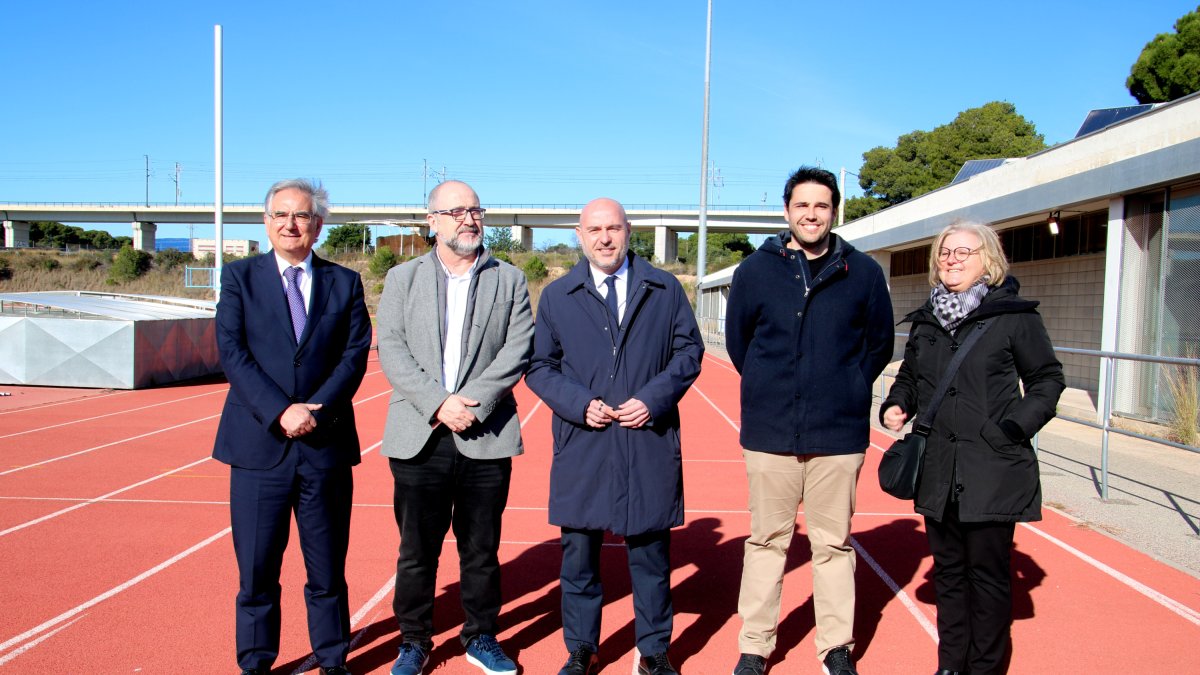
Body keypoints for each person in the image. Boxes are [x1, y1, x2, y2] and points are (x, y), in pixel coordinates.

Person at [725, 166, 894, 675]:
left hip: (838, 437)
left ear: (834, 211)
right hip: (770, 434)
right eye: (802, 205)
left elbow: (878, 346)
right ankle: (755, 646)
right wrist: (769, 386)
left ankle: (835, 646)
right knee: (766, 542)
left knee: (833, 545)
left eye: (821, 205)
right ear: (787, 211)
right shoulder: (754, 271)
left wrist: (846, 386)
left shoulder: (863, 272)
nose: (811, 214)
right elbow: (740, 345)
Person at [525, 197, 703, 675]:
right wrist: (579, 404)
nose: (605, 238)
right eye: (594, 230)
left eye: (614, 229)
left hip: (647, 438)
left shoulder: (664, 289)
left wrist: (654, 398)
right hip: (584, 441)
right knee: (579, 557)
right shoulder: (558, 296)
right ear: (580, 236)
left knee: (651, 556)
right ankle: (582, 648)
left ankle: (654, 650)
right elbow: (540, 366)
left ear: (629, 232)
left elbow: (688, 352)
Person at [881, 221, 1064, 675]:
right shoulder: (928, 319)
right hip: (938, 469)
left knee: (987, 577)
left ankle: (984, 668)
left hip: (991, 467)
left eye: (964, 252)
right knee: (948, 574)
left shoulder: (1014, 316)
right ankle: (949, 665)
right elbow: (911, 377)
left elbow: (1046, 380)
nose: (952, 260)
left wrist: (1013, 428)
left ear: (988, 260)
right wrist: (897, 403)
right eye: (945, 252)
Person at [213, 178, 372, 675]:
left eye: (301, 215)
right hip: (259, 448)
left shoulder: (344, 282)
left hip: (324, 447)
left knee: (327, 569)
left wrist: (315, 410)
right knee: (257, 571)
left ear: (317, 226)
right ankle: (256, 662)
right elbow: (232, 352)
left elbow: (354, 355)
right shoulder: (239, 277)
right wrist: (281, 410)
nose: (290, 224)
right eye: (280, 215)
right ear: (266, 222)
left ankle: (332, 659)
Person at [377, 180, 534, 675]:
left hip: (485, 434)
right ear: (433, 222)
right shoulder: (402, 278)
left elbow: (518, 349)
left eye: (476, 210)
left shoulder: (509, 279)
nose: (470, 219)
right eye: (457, 211)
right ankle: (413, 640)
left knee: (481, 550)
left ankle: (480, 635)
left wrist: (474, 404)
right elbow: (391, 347)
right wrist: (439, 404)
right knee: (416, 551)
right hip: (420, 434)